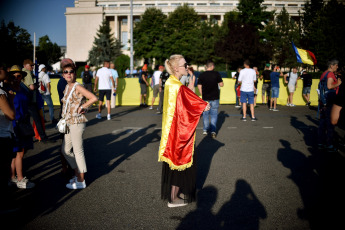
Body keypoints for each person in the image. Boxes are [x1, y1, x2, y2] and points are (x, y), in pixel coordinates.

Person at [158, 54, 210, 208]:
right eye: (185, 65)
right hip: (177, 133)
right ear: (175, 68)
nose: (187, 67)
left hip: (173, 132)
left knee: (176, 164)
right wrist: (202, 105)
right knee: (179, 164)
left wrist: (197, 102)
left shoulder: (172, 82)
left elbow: (183, 102)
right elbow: (187, 104)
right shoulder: (176, 85)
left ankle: (174, 195)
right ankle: (173, 199)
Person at [60, 59, 97, 189]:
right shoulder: (67, 86)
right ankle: (77, 174)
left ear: (75, 74)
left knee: (77, 151)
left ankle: (81, 180)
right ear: (63, 75)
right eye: (66, 72)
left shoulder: (78, 86)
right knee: (65, 150)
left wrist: (83, 107)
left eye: (71, 72)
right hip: (69, 122)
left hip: (77, 122)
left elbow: (93, 98)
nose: (69, 74)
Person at [7, 65, 35, 189]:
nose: (16, 78)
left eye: (19, 76)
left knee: (17, 153)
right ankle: (19, 179)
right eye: (14, 76)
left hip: (23, 123)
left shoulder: (22, 90)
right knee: (19, 152)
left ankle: (13, 177)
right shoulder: (8, 91)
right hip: (14, 125)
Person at [0, 66, 18, 210]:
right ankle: (4, 205)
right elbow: (10, 115)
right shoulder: (0, 93)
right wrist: (11, 99)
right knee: (4, 171)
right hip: (3, 135)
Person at [22, 59, 51, 142]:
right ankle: (43, 137)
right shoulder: (27, 73)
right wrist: (36, 85)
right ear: (25, 65)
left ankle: (28, 138)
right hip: (30, 100)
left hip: (25, 100)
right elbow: (31, 87)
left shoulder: (23, 72)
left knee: (26, 120)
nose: (32, 67)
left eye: (33, 65)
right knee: (37, 120)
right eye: (31, 65)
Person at [318, 59, 342, 152]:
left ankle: (321, 143)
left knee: (322, 124)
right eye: (336, 65)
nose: (337, 67)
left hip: (323, 102)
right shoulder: (330, 74)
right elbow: (329, 86)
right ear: (331, 66)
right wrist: (338, 83)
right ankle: (329, 145)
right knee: (330, 124)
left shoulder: (324, 73)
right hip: (329, 101)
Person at [197, 61, 224, 138]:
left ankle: (205, 130)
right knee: (214, 115)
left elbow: (199, 86)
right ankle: (213, 131)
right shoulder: (216, 74)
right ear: (212, 66)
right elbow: (221, 84)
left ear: (206, 66)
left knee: (205, 114)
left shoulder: (202, 75)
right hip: (215, 97)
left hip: (205, 98)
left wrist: (202, 94)